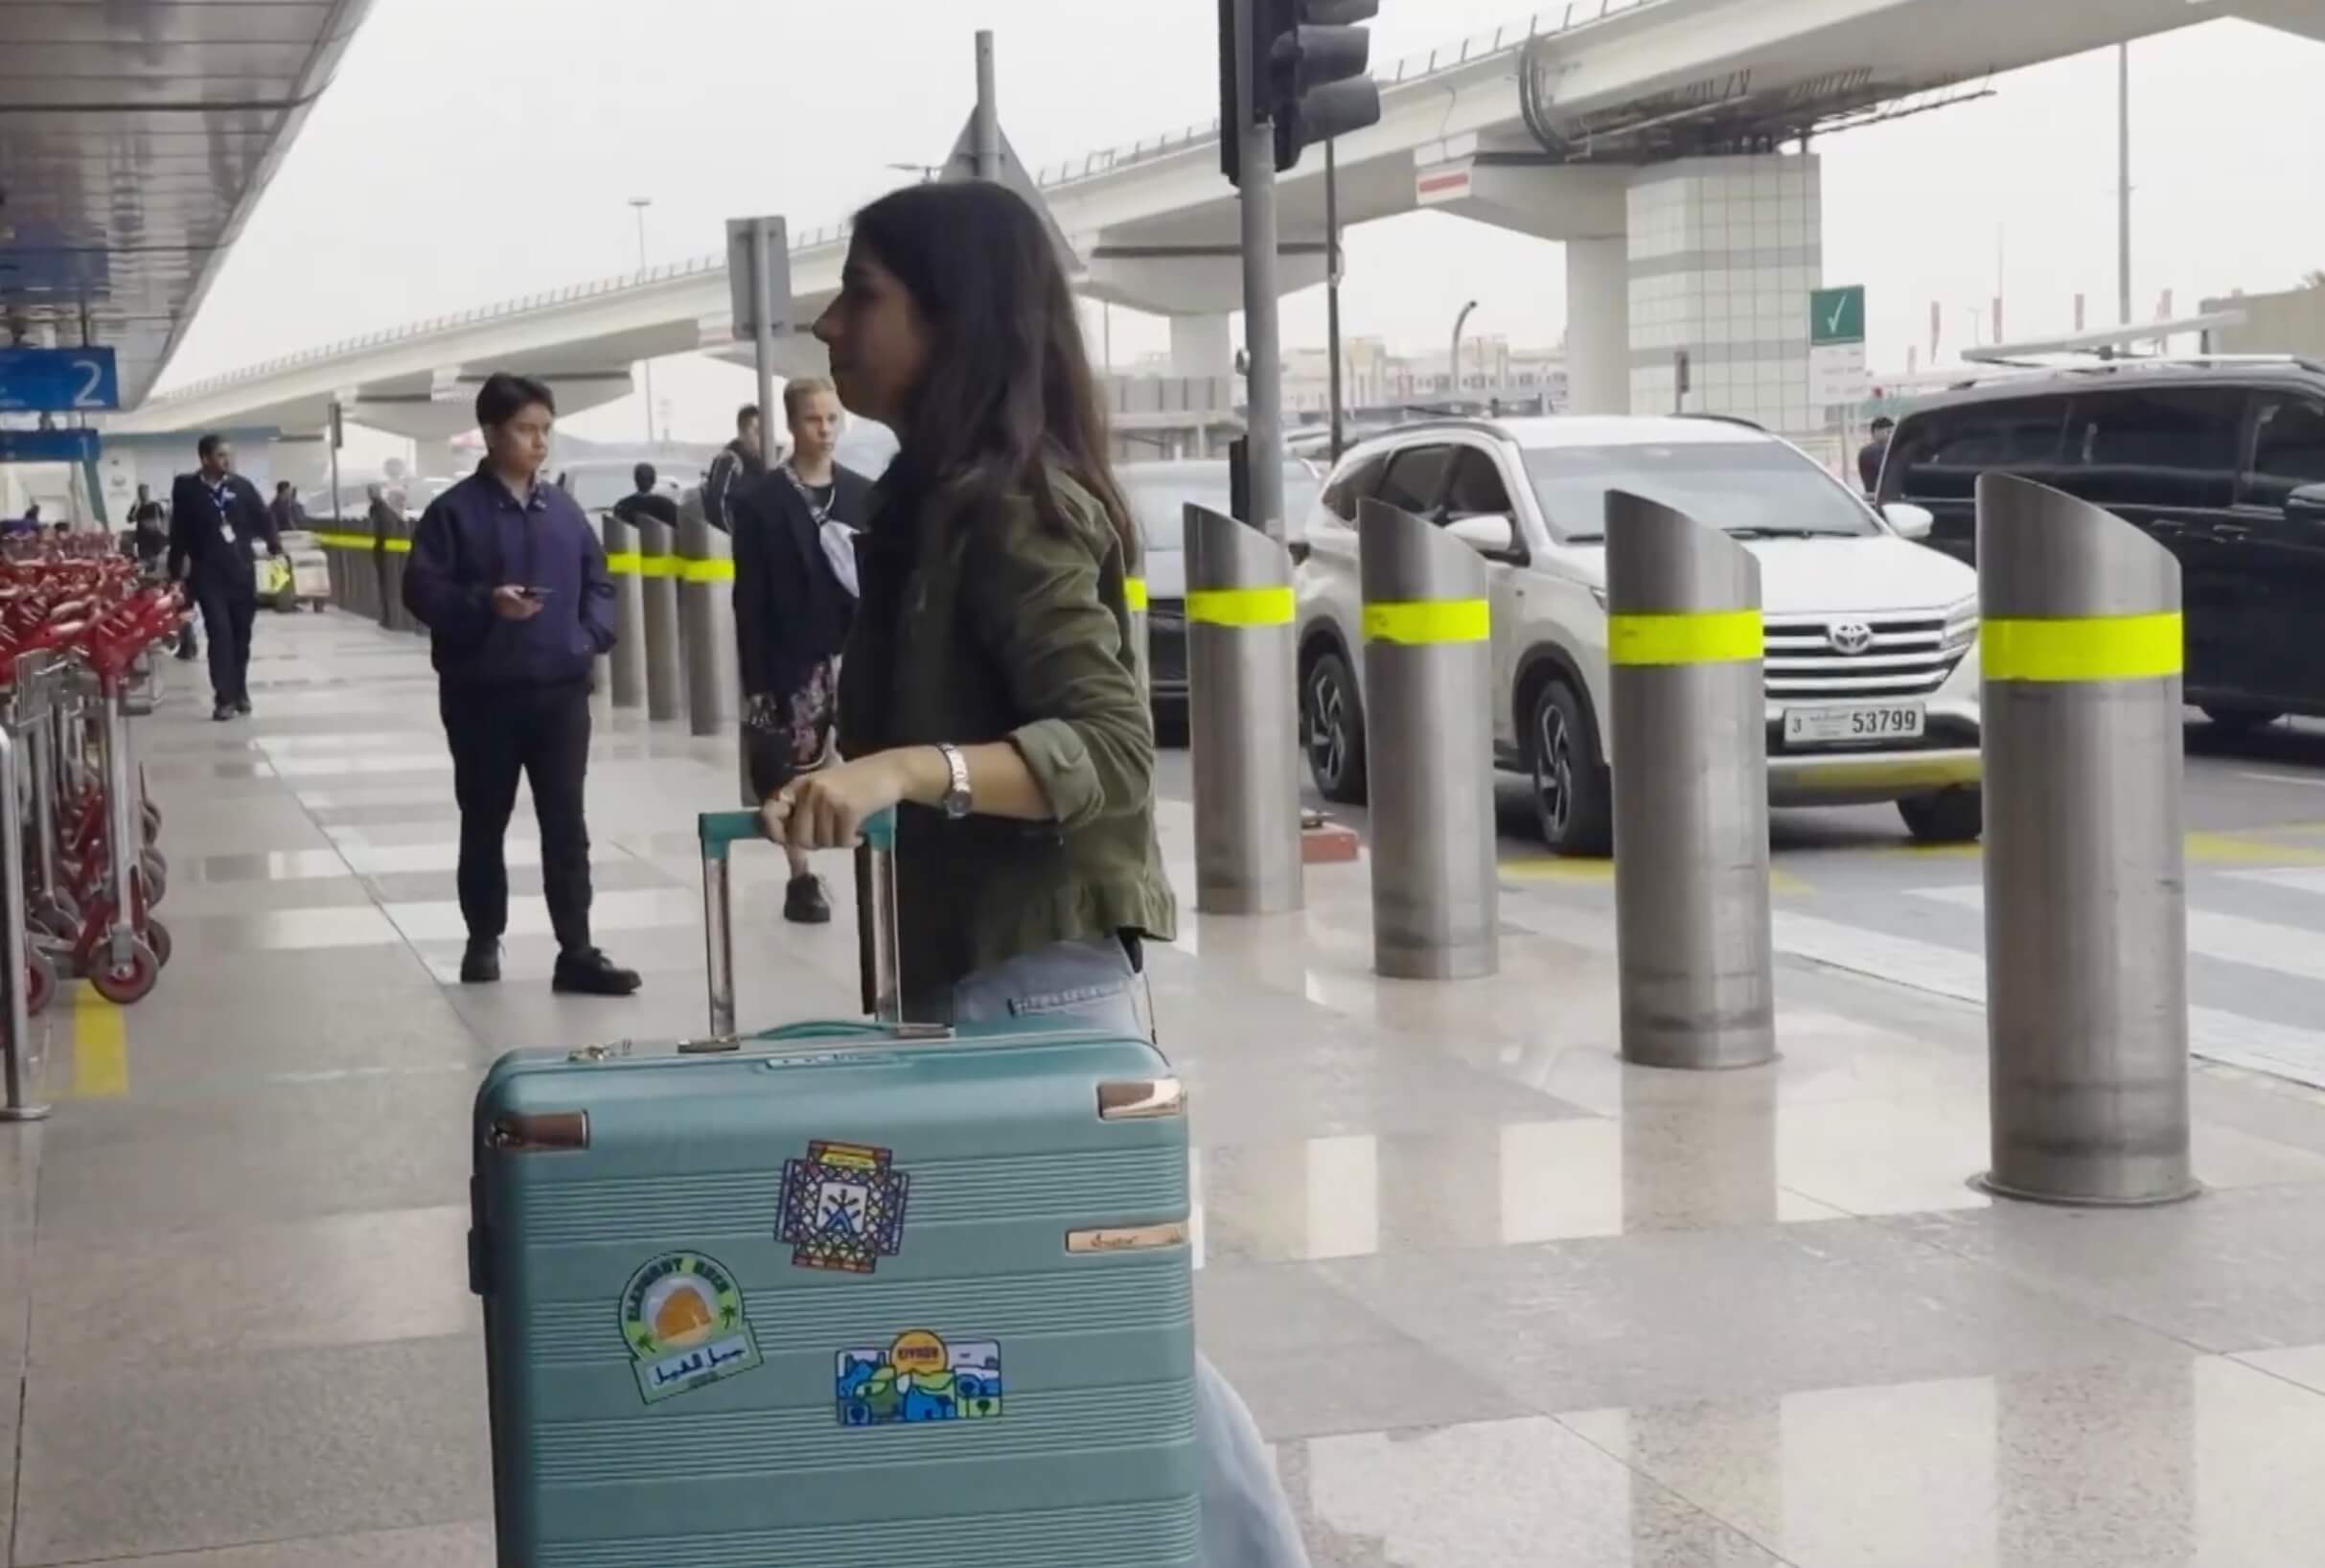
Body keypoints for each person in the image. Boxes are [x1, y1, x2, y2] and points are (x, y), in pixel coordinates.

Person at [760, 179, 1311, 1568]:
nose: (829, 324)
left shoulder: (1016, 505)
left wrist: (904, 770)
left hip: (1037, 992)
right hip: (978, 984)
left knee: (1113, 1334)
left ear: (951, 317)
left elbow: (1109, 746)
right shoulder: (927, 502)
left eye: (862, 294)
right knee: (1013, 1331)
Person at [402, 372, 641, 997]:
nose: (539, 442)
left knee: (566, 823)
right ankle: (483, 939)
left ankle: (577, 951)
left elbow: (599, 581)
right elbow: (422, 590)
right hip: (482, 695)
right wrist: (487, 603)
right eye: (525, 430)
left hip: (560, 692)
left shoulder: (562, 510)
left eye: (545, 430)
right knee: (485, 819)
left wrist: (590, 637)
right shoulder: (454, 513)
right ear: (490, 433)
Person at [730, 377, 874, 925]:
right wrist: (757, 680)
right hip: (792, 654)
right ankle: (801, 875)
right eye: (814, 419)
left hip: (855, 649)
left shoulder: (863, 494)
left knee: (866, 755)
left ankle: (872, 859)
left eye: (833, 418)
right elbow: (750, 596)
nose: (825, 430)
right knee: (790, 767)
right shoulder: (760, 502)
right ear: (792, 424)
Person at [169, 435, 282, 721]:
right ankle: (224, 698)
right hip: (208, 575)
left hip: (241, 573)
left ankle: (240, 689)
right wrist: (175, 574)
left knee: (241, 637)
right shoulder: (187, 489)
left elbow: (263, 517)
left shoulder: (241, 487)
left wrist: (275, 546)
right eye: (221, 455)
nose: (227, 461)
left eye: (229, 455)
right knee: (219, 634)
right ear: (205, 458)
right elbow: (178, 532)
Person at [700, 404, 765, 534]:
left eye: (765, 432)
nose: (762, 438)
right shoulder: (730, 461)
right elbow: (719, 507)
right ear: (742, 434)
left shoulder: (762, 466)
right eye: (757, 432)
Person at [366, 484, 403, 628]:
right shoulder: (383, 509)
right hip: (385, 550)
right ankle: (387, 617)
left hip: (384, 551)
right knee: (386, 584)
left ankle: (388, 618)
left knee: (385, 584)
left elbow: (378, 529)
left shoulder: (379, 510)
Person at [610, 462, 679, 531]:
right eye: (642, 478)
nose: (644, 482)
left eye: (645, 478)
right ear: (654, 480)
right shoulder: (667, 505)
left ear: (635, 479)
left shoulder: (622, 505)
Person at [1858, 414, 1896, 495]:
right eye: (1888, 431)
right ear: (1876, 432)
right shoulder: (1871, 451)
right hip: (1881, 495)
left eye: (1892, 432)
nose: (1891, 435)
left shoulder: (1866, 451)